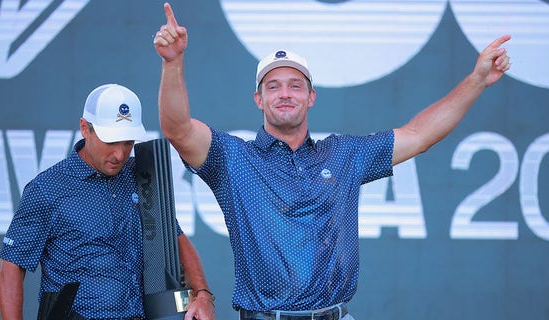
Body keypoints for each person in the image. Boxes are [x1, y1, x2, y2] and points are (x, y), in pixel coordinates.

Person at [153, 2, 511, 319]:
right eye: (273, 86)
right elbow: (178, 130)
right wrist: (173, 63)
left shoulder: (343, 155)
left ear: (311, 97)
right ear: (258, 100)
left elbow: (418, 137)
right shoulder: (233, 159)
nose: (284, 94)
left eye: (295, 85)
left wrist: (476, 81)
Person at [0, 83, 217, 320]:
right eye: (111, 141)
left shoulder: (142, 177)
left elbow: (175, 237)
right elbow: (10, 269)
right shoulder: (47, 189)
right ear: (85, 128)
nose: (120, 154)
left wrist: (203, 295)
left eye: (127, 142)